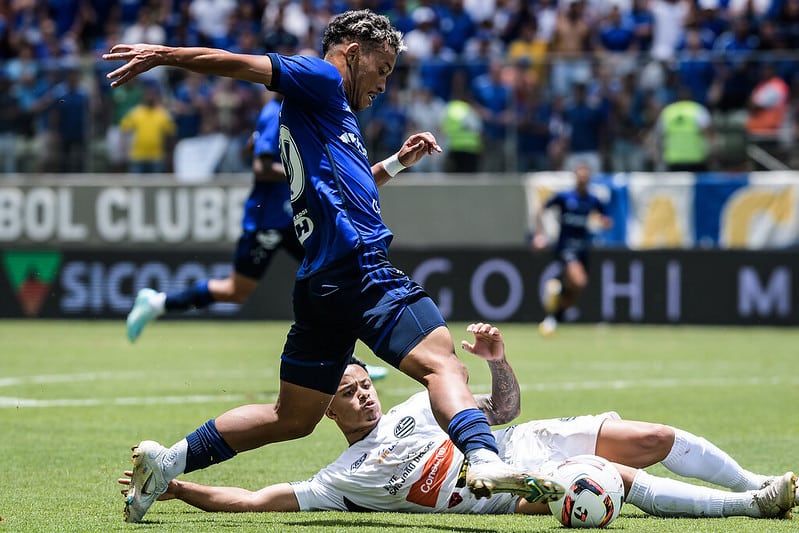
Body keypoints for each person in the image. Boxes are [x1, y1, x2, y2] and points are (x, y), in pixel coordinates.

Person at [103, 9, 562, 524]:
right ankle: (483, 459)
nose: (385, 83)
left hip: (322, 281)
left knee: (292, 417)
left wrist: (395, 165)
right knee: (442, 363)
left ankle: (168, 462)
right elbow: (237, 63)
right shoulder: (322, 79)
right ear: (352, 52)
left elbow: (346, 187)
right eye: (383, 68)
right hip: (360, 265)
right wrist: (163, 55)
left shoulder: (324, 114)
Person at [118, 323, 798, 520]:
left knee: (651, 437)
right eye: (348, 392)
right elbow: (256, 498)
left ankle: (755, 478)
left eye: (364, 384)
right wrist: (180, 488)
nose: (364, 396)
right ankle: (750, 504)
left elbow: (501, 412)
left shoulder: (420, 400)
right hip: (513, 488)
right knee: (617, 475)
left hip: (513, 444)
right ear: (324, 407)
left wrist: (500, 362)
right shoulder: (341, 477)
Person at [533, 162, 611, 336]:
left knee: (576, 290)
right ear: (575, 177)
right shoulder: (564, 197)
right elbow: (540, 209)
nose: (583, 180)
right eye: (580, 176)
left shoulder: (593, 200)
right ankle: (559, 287)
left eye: (586, 177)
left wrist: (604, 223)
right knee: (579, 281)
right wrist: (539, 234)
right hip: (566, 248)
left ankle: (554, 317)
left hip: (584, 249)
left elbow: (606, 220)